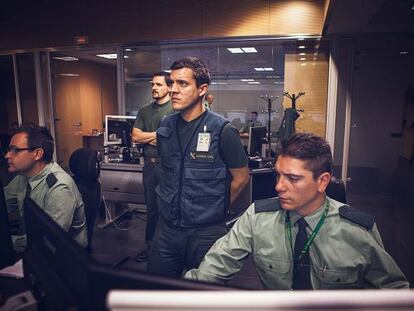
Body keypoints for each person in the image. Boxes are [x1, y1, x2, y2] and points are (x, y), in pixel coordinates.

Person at [185, 133, 409, 289]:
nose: (279, 186)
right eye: (278, 175)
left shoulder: (357, 230)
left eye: (293, 179)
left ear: (322, 182)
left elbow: (393, 291)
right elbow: (213, 270)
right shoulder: (257, 217)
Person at [148, 57, 250, 277]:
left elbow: (242, 177)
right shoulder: (165, 125)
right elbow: (165, 171)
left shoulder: (222, 130)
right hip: (167, 229)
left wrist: (217, 208)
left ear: (202, 89)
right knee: (157, 291)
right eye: (171, 82)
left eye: (182, 84)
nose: (173, 90)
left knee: (204, 295)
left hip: (205, 231)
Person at [4, 126, 87, 252]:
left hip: (64, 257)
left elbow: (47, 238)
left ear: (37, 154)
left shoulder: (59, 188)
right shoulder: (23, 177)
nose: (7, 155)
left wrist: (7, 242)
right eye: (9, 149)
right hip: (34, 249)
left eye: (15, 150)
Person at [132, 71, 174, 262]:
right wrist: (158, 136)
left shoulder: (175, 110)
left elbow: (172, 139)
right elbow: (135, 137)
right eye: (153, 85)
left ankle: (169, 248)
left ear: (168, 87)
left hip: (168, 166)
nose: (154, 88)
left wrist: (148, 137)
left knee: (169, 208)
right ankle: (150, 247)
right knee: (152, 209)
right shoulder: (144, 111)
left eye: (158, 84)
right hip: (149, 166)